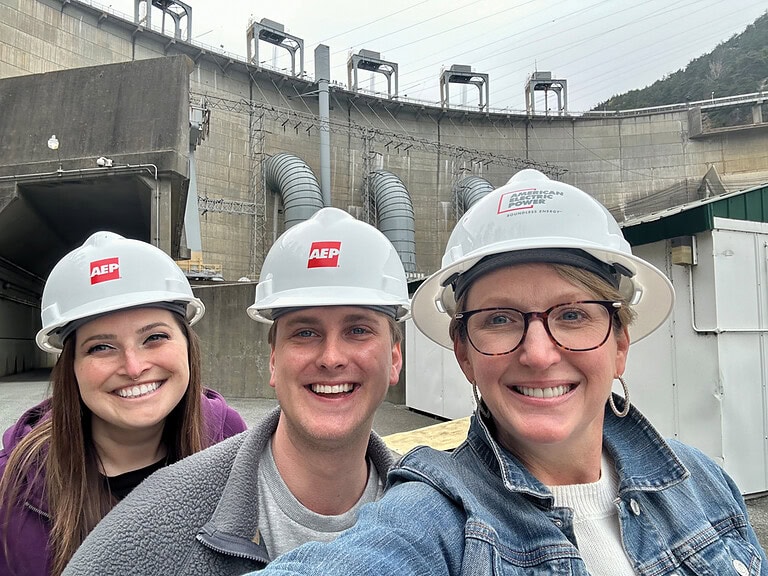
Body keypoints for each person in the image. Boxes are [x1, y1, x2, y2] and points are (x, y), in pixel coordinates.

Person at [249, 169, 768, 575]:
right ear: (464, 353)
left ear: (620, 344)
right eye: (500, 320)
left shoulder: (702, 483)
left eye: (572, 315)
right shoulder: (436, 518)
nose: (539, 353)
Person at [61, 207, 410, 575]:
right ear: (274, 361)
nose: (331, 358)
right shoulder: (150, 521)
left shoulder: (438, 513)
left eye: (358, 330)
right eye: (305, 332)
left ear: (394, 358)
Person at [0, 231, 247, 576]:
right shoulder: (13, 484)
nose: (133, 367)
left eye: (154, 337)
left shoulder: (232, 444)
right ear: (71, 366)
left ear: (188, 346)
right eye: (101, 347)